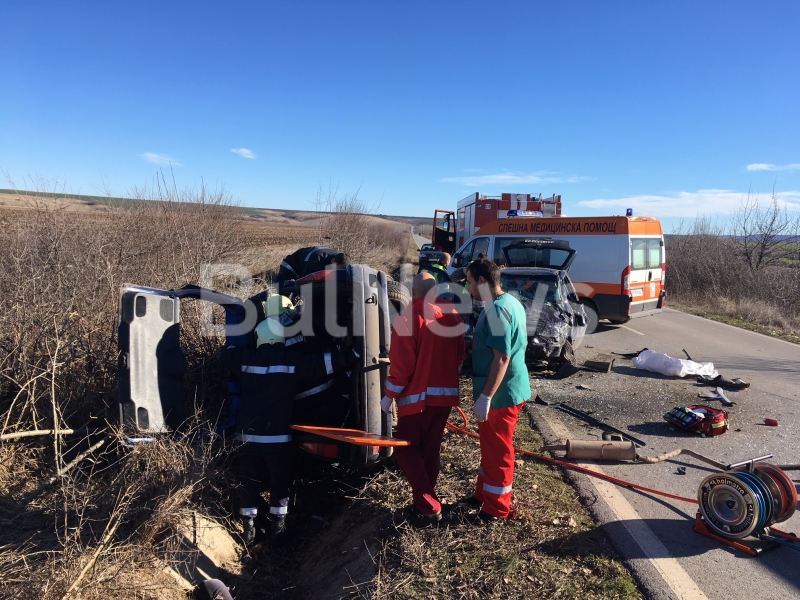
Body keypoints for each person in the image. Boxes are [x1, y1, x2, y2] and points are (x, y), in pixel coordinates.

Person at [225, 304, 357, 546]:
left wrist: (234, 338)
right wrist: (352, 356)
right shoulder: (291, 361)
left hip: (246, 440)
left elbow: (230, 353)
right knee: (279, 486)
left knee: (250, 483)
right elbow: (323, 363)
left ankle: (249, 533)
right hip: (277, 441)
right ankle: (278, 535)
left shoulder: (246, 360)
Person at [380, 272, 465, 525]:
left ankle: (428, 504)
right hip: (446, 399)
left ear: (413, 292)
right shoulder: (452, 315)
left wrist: (388, 397)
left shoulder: (407, 318)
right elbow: (460, 357)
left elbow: (401, 368)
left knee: (405, 449)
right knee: (430, 450)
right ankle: (426, 503)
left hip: (417, 401)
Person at [461, 256, 531, 523]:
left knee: (499, 450)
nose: (468, 289)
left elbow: (502, 357)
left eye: (469, 282)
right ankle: (483, 495)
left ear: (482, 280)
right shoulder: (509, 302)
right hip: (506, 388)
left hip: (501, 394)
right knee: (490, 447)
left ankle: (496, 509)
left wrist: (486, 396)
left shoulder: (498, 310)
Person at [274, 246, 349, 293]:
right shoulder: (316, 260)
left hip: (304, 266)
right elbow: (305, 284)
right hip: (291, 267)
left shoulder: (341, 258)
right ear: (333, 261)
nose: (336, 273)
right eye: (336, 270)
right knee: (282, 295)